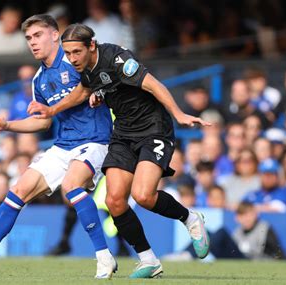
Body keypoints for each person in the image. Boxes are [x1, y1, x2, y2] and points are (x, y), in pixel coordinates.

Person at [27, 23, 211, 278]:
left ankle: (190, 218)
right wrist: (52, 109)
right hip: (123, 132)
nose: (72, 59)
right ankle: (148, 260)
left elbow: (153, 85)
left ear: (92, 45)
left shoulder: (117, 58)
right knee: (114, 200)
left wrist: (178, 113)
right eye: (67, 54)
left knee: (144, 196)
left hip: (153, 128)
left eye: (76, 52)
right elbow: (83, 91)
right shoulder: (84, 69)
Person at [0, 15, 117, 279]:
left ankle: (104, 258)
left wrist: (57, 107)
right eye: (28, 38)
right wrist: (7, 126)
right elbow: (42, 123)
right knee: (19, 189)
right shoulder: (39, 79)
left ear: (54, 35)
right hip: (64, 145)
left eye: (38, 35)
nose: (32, 42)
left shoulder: (75, 58)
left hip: (95, 139)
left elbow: (87, 91)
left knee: (72, 185)